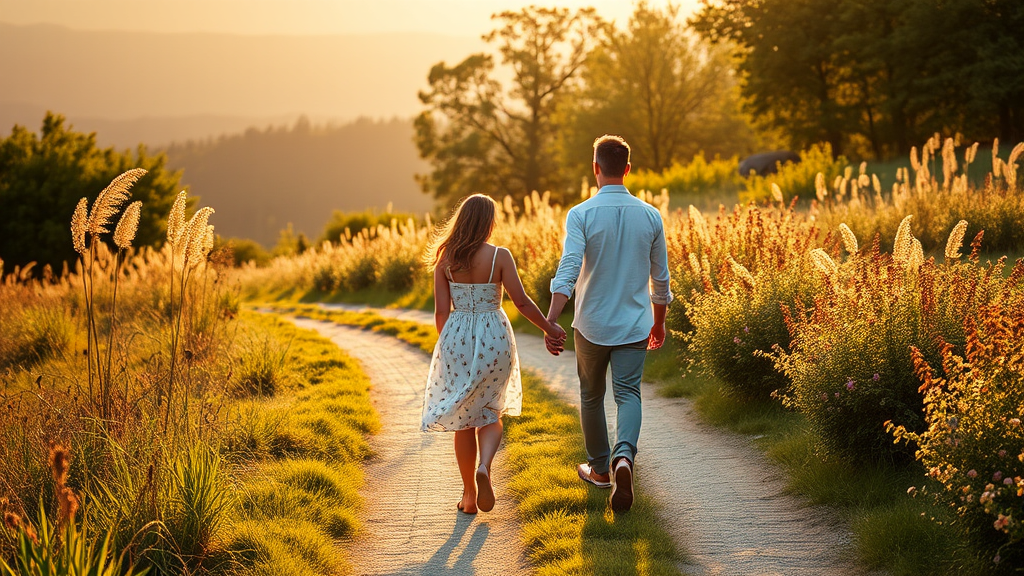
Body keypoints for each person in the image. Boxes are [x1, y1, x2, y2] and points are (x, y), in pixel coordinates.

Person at [545, 134, 673, 513]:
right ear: (628, 170)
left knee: (590, 396)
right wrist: (659, 322)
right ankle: (624, 460)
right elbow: (661, 278)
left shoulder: (580, 214)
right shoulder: (651, 215)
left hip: (592, 324)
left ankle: (601, 470)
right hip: (635, 324)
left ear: (595, 168)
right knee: (628, 394)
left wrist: (552, 319)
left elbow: (568, 268)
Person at [421, 194, 567, 514]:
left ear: (461, 220)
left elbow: (440, 313)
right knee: (491, 411)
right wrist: (548, 328)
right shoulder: (500, 256)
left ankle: (469, 496)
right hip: (495, 338)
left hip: (458, 339)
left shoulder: (446, 259)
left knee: (463, 420)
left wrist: (448, 348)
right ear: (489, 223)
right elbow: (522, 302)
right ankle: (485, 466)